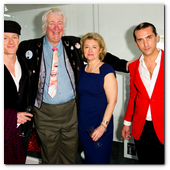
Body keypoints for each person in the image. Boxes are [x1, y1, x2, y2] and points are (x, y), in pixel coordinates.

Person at [17, 8, 129, 164]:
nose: (56, 27)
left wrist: (127, 65)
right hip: (44, 113)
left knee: (70, 153)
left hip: (71, 111)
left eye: (60, 23)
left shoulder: (74, 44)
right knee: (50, 155)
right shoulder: (28, 47)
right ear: (44, 26)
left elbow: (100, 54)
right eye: (52, 23)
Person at [122, 22, 164, 164]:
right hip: (141, 127)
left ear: (157, 37)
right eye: (140, 39)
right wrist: (127, 123)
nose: (145, 43)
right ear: (136, 43)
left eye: (149, 37)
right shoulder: (133, 66)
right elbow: (133, 97)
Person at [78, 33, 118, 164]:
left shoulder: (107, 69)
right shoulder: (82, 69)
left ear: (101, 49)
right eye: (87, 47)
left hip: (100, 123)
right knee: (89, 158)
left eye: (94, 47)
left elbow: (112, 101)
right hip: (84, 123)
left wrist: (103, 126)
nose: (90, 51)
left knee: (99, 159)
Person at [4, 20, 33, 164]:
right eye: (5, 38)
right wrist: (10, 117)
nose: (10, 42)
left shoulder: (24, 62)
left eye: (14, 37)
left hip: (22, 131)